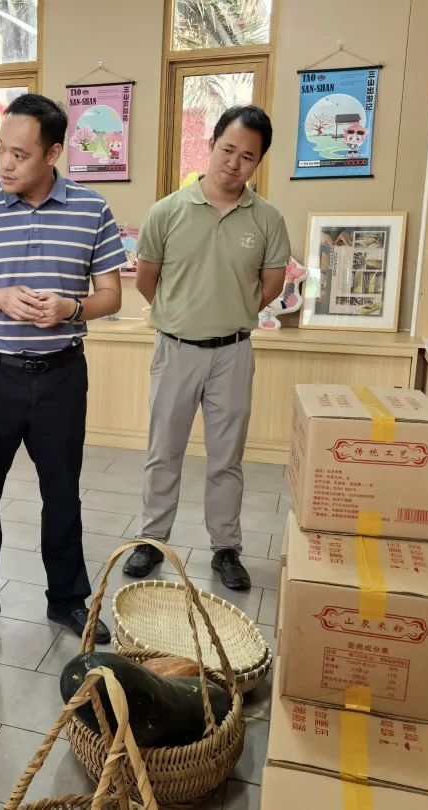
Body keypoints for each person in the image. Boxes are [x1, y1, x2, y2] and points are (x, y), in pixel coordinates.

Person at [0, 93, 126, 654]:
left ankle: (67, 598)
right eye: (0, 150)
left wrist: (72, 308)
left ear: (54, 153)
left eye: (19, 154)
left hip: (62, 375)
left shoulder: (92, 210)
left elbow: (112, 295)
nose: (5, 163)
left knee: (62, 493)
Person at [123, 105, 290, 591]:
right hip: (175, 349)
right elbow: (147, 279)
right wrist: (182, 315)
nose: (234, 163)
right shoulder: (167, 211)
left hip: (232, 353)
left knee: (227, 457)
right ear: (211, 144)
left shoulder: (267, 218)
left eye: (247, 157)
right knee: (164, 451)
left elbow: (272, 283)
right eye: (227, 150)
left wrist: (229, 312)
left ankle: (225, 548)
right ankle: (151, 541)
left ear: (258, 162)